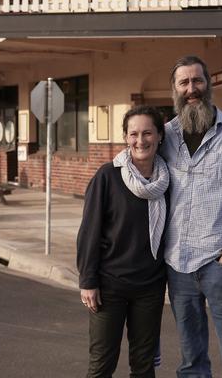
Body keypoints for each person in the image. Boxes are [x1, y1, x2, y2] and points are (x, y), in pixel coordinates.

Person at [161, 56, 222, 378]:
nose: (192, 89)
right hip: (177, 266)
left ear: (209, 84)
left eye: (197, 81)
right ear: (175, 89)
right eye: (184, 83)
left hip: (219, 263)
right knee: (191, 363)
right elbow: (137, 160)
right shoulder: (165, 137)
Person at [77, 105, 170, 378]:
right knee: (102, 365)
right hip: (110, 287)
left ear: (160, 136)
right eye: (133, 134)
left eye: (147, 133)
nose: (140, 141)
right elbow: (89, 231)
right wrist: (88, 281)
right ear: (126, 138)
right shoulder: (108, 176)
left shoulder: (168, 180)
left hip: (150, 286)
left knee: (143, 366)